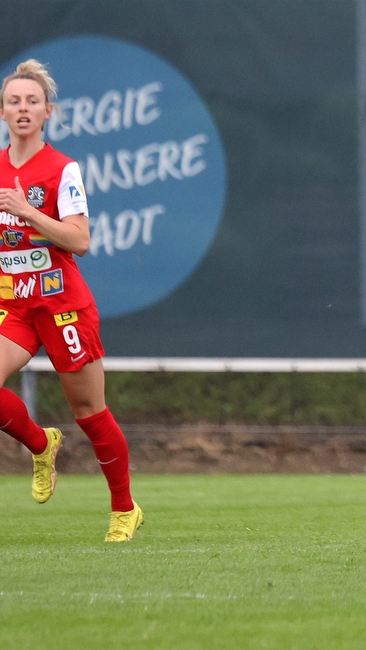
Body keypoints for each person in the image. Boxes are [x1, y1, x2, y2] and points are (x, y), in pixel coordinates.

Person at [0, 60, 143, 542]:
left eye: (32, 101)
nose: (23, 108)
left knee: (89, 411)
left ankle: (124, 509)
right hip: (15, 303)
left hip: (63, 304)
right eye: (14, 101)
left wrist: (27, 211)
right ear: (3, 112)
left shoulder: (63, 169)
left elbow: (79, 241)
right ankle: (42, 445)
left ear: (47, 112)